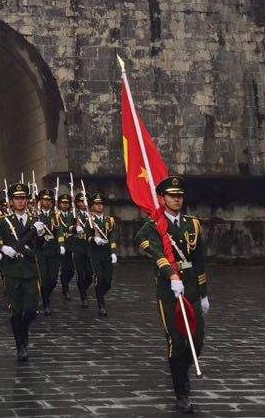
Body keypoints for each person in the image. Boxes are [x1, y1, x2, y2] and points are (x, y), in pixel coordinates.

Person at [134, 175, 210, 414]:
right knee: (177, 342)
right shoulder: (154, 225)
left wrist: (204, 293)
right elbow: (146, 245)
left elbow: (199, 260)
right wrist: (170, 274)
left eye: (179, 196)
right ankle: (181, 392)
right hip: (169, 291)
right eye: (172, 196)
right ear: (161, 198)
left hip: (192, 289)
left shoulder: (192, 224)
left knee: (196, 341)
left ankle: (182, 370)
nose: (177, 200)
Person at [0, 182, 42, 362]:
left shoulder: (35, 222)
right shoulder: (4, 222)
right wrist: (2, 248)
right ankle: (20, 345)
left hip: (30, 270)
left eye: (23, 198)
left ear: (27, 200)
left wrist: (41, 235)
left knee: (31, 311)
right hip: (11, 271)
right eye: (17, 198)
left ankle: (24, 332)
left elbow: (40, 247)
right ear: (11, 201)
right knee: (16, 311)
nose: (20, 202)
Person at [85, 192, 119, 316]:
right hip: (95, 253)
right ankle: (101, 304)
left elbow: (114, 237)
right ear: (92, 206)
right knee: (99, 278)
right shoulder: (89, 221)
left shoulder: (109, 220)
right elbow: (86, 236)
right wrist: (94, 239)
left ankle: (99, 294)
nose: (99, 206)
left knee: (108, 281)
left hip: (106, 253)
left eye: (101, 204)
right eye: (96, 204)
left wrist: (114, 252)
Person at [32, 188, 61, 316]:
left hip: (53, 250)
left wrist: (61, 244)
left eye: (49, 200)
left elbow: (59, 230)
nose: (46, 202)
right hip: (41, 250)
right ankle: (46, 302)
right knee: (43, 277)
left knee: (53, 279)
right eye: (44, 199)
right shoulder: (35, 215)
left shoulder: (56, 215)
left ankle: (46, 296)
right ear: (40, 201)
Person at [68, 190, 94, 308]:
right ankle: (83, 296)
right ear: (77, 203)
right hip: (78, 247)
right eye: (81, 201)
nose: (83, 203)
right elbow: (66, 228)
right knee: (80, 273)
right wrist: (74, 228)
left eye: (85, 201)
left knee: (89, 274)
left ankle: (84, 288)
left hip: (89, 248)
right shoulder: (73, 214)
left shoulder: (92, 215)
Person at [55, 192, 76, 299]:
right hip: (59, 245)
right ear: (59, 204)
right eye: (63, 203)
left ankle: (65, 283)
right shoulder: (56, 216)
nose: (65, 205)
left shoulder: (73, 215)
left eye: (67, 203)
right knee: (63, 268)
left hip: (71, 245)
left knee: (71, 270)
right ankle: (65, 288)